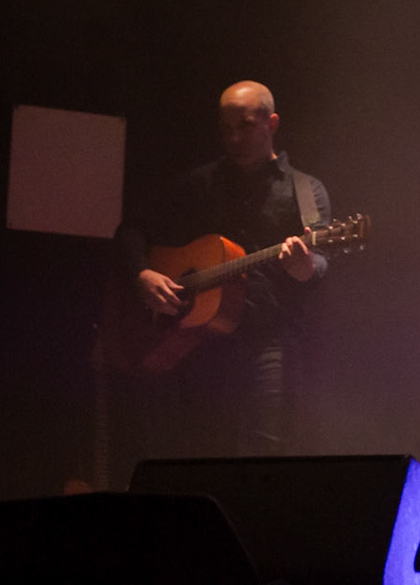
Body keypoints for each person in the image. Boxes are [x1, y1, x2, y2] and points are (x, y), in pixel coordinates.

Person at [113, 80, 331, 458]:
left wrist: (306, 269)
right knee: (198, 453)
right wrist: (142, 275)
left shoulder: (306, 191)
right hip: (197, 344)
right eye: (226, 129)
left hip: (268, 343)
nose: (234, 138)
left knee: (266, 455)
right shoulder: (199, 184)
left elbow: (324, 260)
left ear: (272, 123)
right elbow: (131, 228)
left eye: (244, 126)